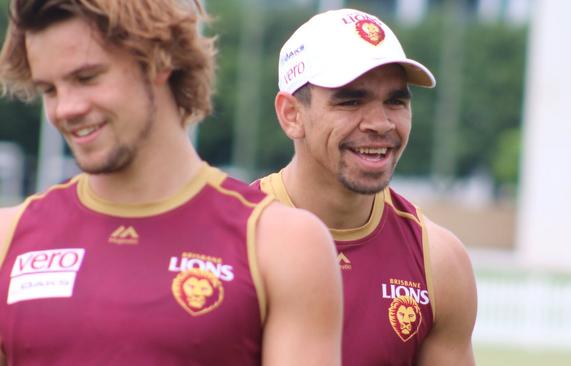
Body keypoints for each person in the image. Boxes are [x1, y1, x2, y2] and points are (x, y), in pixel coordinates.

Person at [0, 1, 342, 365]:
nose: (65, 108)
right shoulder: (9, 237)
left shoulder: (281, 244)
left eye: (87, 78)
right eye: (49, 89)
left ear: (159, 60)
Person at [254, 8, 477, 365]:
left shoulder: (439, 261)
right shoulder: (231, 240)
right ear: (291, 114)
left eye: (395, 101)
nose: (380, 123)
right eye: (351, 100)